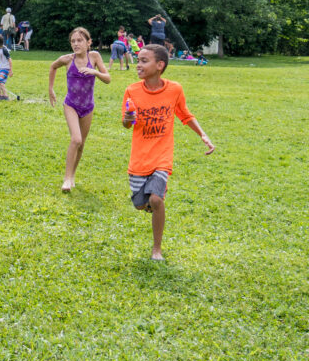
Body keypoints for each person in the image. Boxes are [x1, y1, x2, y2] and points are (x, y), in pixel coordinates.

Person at [122, 44, 215, 261]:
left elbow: (185, 115)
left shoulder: (175, 89)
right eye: (138, 59)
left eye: (144, 60)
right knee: (140, 204)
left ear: (160, 65)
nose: (138, 64)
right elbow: (127, 123)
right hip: (139, 158)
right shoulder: (132, 90)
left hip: (162, 157)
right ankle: (152, 204)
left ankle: (157, 250)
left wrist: (203, 134)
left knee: (156, 200)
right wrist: (127, 120)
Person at [47, 27, 111, 192]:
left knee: (81, 145)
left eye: (79, 40)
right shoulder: (67, 59)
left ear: (88, 42)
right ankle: (67, 179)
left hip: (88, 107)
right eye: (73, 41)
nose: (76, 44)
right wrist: (51, 89)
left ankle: (73, 175)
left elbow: (108, 79)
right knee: (76, 139)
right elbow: (53, 67)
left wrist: (94, 71)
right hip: (71, 105)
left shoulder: (94, 56)